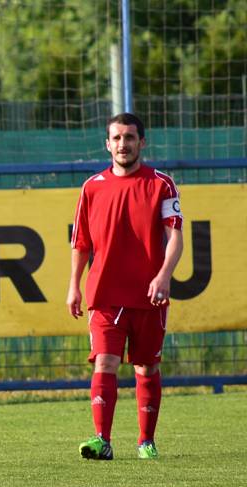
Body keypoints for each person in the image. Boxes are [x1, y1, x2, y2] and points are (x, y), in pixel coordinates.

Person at [67, 112, 183, 460]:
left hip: (149, 294)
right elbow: (81, 243)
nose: (123, 144)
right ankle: (102, 439)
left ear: (141, 142)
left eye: (129, 137)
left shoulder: (161, 184)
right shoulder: (92, 187)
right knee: (105, 362)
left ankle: (146, 441)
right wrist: (73, 285)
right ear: (107, 144)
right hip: (104, 293)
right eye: (116, 138)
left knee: (146, 367)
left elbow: (175, 236)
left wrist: (163, 275)